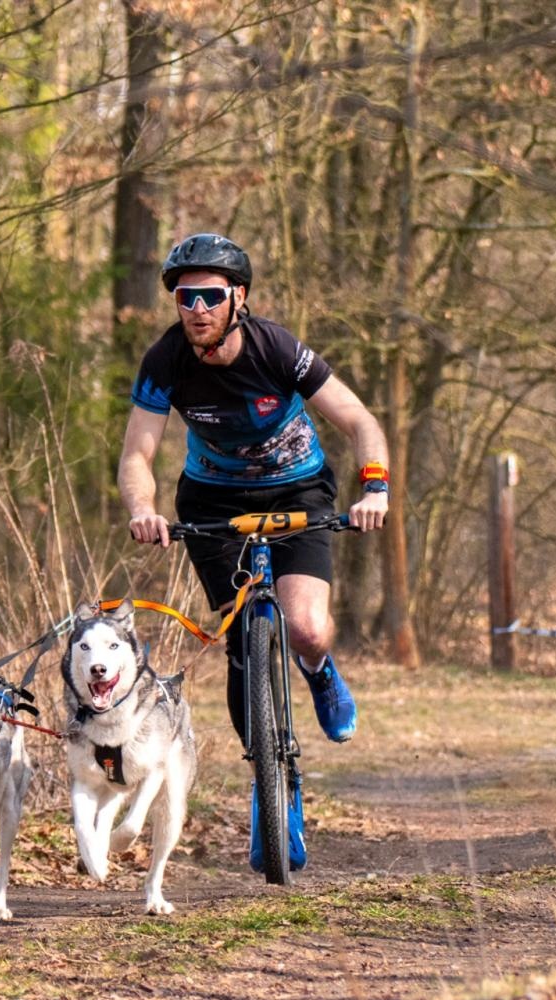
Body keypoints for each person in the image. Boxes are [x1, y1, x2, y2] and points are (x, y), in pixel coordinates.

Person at [118, 232, 390, 870]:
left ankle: (320, 673)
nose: (197, 308)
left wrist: (373, 488)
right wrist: (142, 508)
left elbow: (359, 420)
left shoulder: (277, 348)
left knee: (305, 627)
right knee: (243, 642)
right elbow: (137, 452)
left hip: (298, 489)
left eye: (211, 295)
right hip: (213, 503)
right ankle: (274, 786)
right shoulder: (165, 361)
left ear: (237, 298)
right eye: (186, 297)